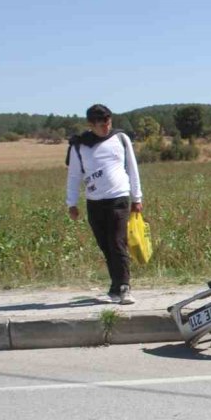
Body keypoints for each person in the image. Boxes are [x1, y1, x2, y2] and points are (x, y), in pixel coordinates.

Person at [65, 104, 143, 304]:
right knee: (106, 245)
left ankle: (124, 287)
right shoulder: (79, 146)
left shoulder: (120, 139)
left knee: (117, 242)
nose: (106, 128)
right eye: (100, 125)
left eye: (108, 123)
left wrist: (137, 198)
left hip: (118, 197)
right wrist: (72, 203)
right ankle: (115, 287)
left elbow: (132, 168)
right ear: (91, 125)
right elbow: (74, 176)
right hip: (94, 202)